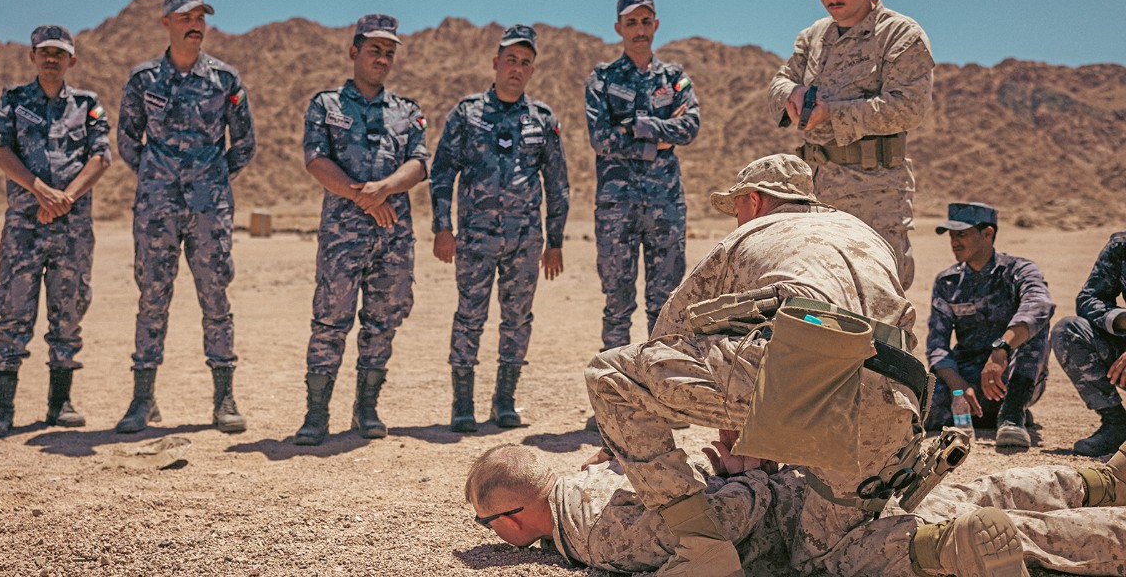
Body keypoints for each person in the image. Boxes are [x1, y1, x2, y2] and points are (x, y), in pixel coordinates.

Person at [585, 154, 921, 574]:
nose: (737, 219)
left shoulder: (751, 236)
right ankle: (943, 547)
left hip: (805, 379)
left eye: (738, 207)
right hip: (895, 404)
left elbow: (667, 338)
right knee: (821, 554)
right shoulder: (865, 234)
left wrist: (618, 442)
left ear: (756, 201)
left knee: (610, 374)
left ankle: (702, 549)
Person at [464, 440, 1126, 576]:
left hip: (800, 517)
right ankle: (1101, 482)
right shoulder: (601, 472)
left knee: (913, 540)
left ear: (513, 517)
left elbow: (720, 521)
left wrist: (753, 481)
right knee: (969, 493)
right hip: (811, 478)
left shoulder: (600, 536)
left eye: (485, 524)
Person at [116, 0, 256, 434]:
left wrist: (209, 178)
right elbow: (126, 140)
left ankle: (224, 399)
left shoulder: (225, 81)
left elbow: (245, 143)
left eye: (201, 16)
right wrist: (159, 178)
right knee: (152, 298)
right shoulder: (142, 81)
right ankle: (142, 401)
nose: (196, 24)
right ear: (166, 23)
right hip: (156, 210)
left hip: (209, 210)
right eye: (186, 17)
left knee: (215, 298)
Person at [294, 14, 429, 445]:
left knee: (382, 321)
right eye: (374, 49)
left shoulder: (407, 111)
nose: (382, 58)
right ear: (354, 51)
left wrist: (385, 188)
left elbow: (421, 163)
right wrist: (363, 197)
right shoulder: (327, 105)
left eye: (389, 52)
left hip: (392, 236)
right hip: (342, 235)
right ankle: (316, 414)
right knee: (329, 321)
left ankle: (366, 408)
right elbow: (316, 160)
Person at [430, 25, 569, 432]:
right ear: (495, 63)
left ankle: (504, 401)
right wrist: (443, 227)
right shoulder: (467, 113)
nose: (517, 68)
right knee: (469, 317)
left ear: (532, 70)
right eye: (511, 59)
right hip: (474, 238)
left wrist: (555, 241)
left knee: (518, 319)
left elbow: (557, 183)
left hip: (525, 241)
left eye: (526, 62)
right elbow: (442, 173)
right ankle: (463, 404)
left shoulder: (542, 119)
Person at [0, 25, 111, 438]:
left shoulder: (88, 105)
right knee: (13, 311)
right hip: (24, 224)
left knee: (68, 312)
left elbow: (101, 156)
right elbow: (1, 150)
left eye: (60, 53)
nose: (52, 58)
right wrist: (39, 190)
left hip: (71, 227)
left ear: (72, 60)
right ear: (33, 56)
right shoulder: (13, 102)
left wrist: (65, 199)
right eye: (45, 51)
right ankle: (2, 409)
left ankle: (60, 404)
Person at [768, 0, 934, 290]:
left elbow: (909, 108)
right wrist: (793, 93)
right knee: (815, 295)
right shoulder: (814, 37)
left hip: (874, 192)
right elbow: (779, 83)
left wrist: (833, 112)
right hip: (814, 193)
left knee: (877, 295)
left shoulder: (899, 34)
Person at [585, 0, 700, 352]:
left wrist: (635, 126)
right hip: (616, 208)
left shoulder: (674, 77)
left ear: (656, 24)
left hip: (665, 205)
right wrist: (658, 137)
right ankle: (613, 394)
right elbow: (601, 139)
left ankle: (660, 393)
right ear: (618, 27)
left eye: (645, 21)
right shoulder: (601, 79)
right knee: (617, 305)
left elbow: (691, 126)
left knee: (665, 305)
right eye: (631, 22)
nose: (639, 28)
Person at [925, 203, 1055, 448]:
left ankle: (1012, 416)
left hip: (1014, 373)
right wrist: (959, 386)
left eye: (961, 234)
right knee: (919, 412)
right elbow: (937, 347)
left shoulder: (1018, 270)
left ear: (988, 234)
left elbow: (1040, 305)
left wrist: (1001, 349)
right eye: (951, 236)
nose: (954, 242)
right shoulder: (947, 282)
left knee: (1035, 325)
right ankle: (993, 412)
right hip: (968, 381)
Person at [1054, 232, 1126, 457]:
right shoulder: (1121, 247)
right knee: (1068, 331)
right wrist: (1122, 320)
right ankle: (1116, 425)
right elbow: (1088, 299)